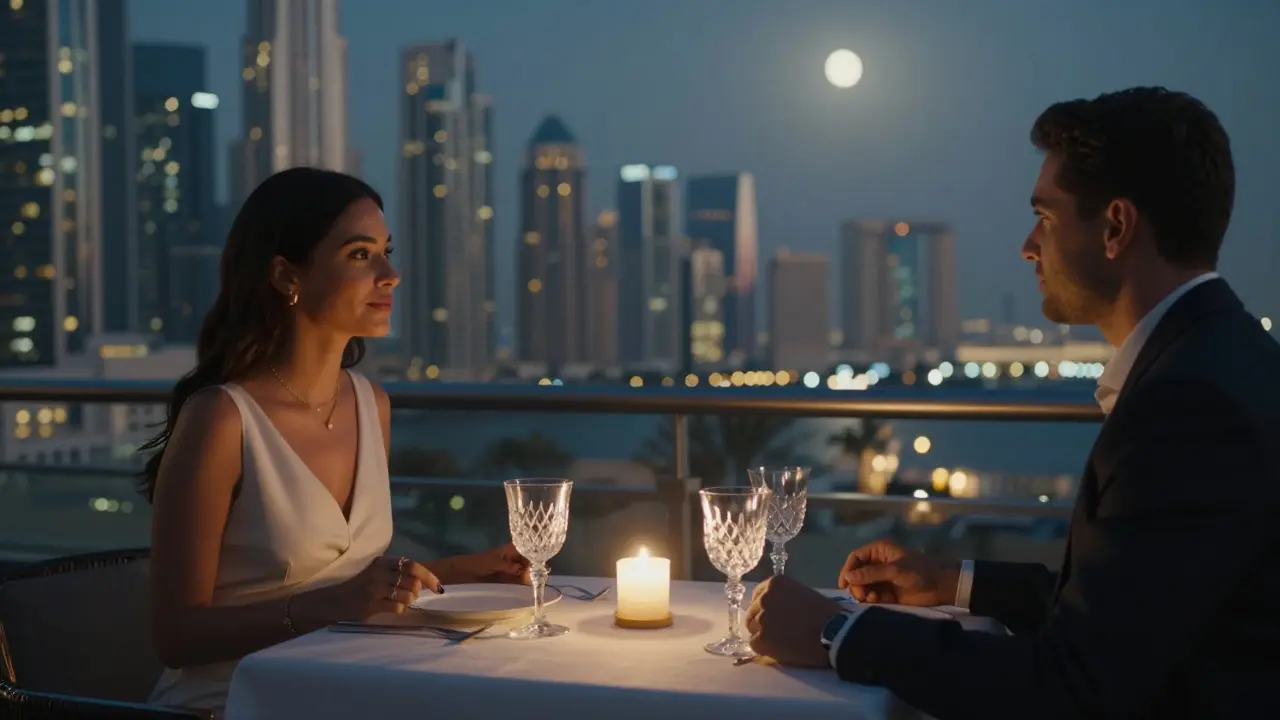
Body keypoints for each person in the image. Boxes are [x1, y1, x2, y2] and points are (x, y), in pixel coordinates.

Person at [745, 87, 1280, 718]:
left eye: (1047, 219)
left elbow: (1071, 687)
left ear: (1115, 227)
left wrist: (836, 633)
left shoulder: (1187, 405)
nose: (1029, 246)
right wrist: (955, 583)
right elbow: (1142, 605)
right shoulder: (1226, 354)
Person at [141, 168, 530, 717]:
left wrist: (458, 572)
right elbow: (175, 636)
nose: (390, 274)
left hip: (344, 685)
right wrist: (332, 606)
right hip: (232, 702)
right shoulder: (222, 419)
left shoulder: (371, 405)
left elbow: (339, 581)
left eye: (386, 252)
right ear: (286, 275)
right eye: (359, 255)